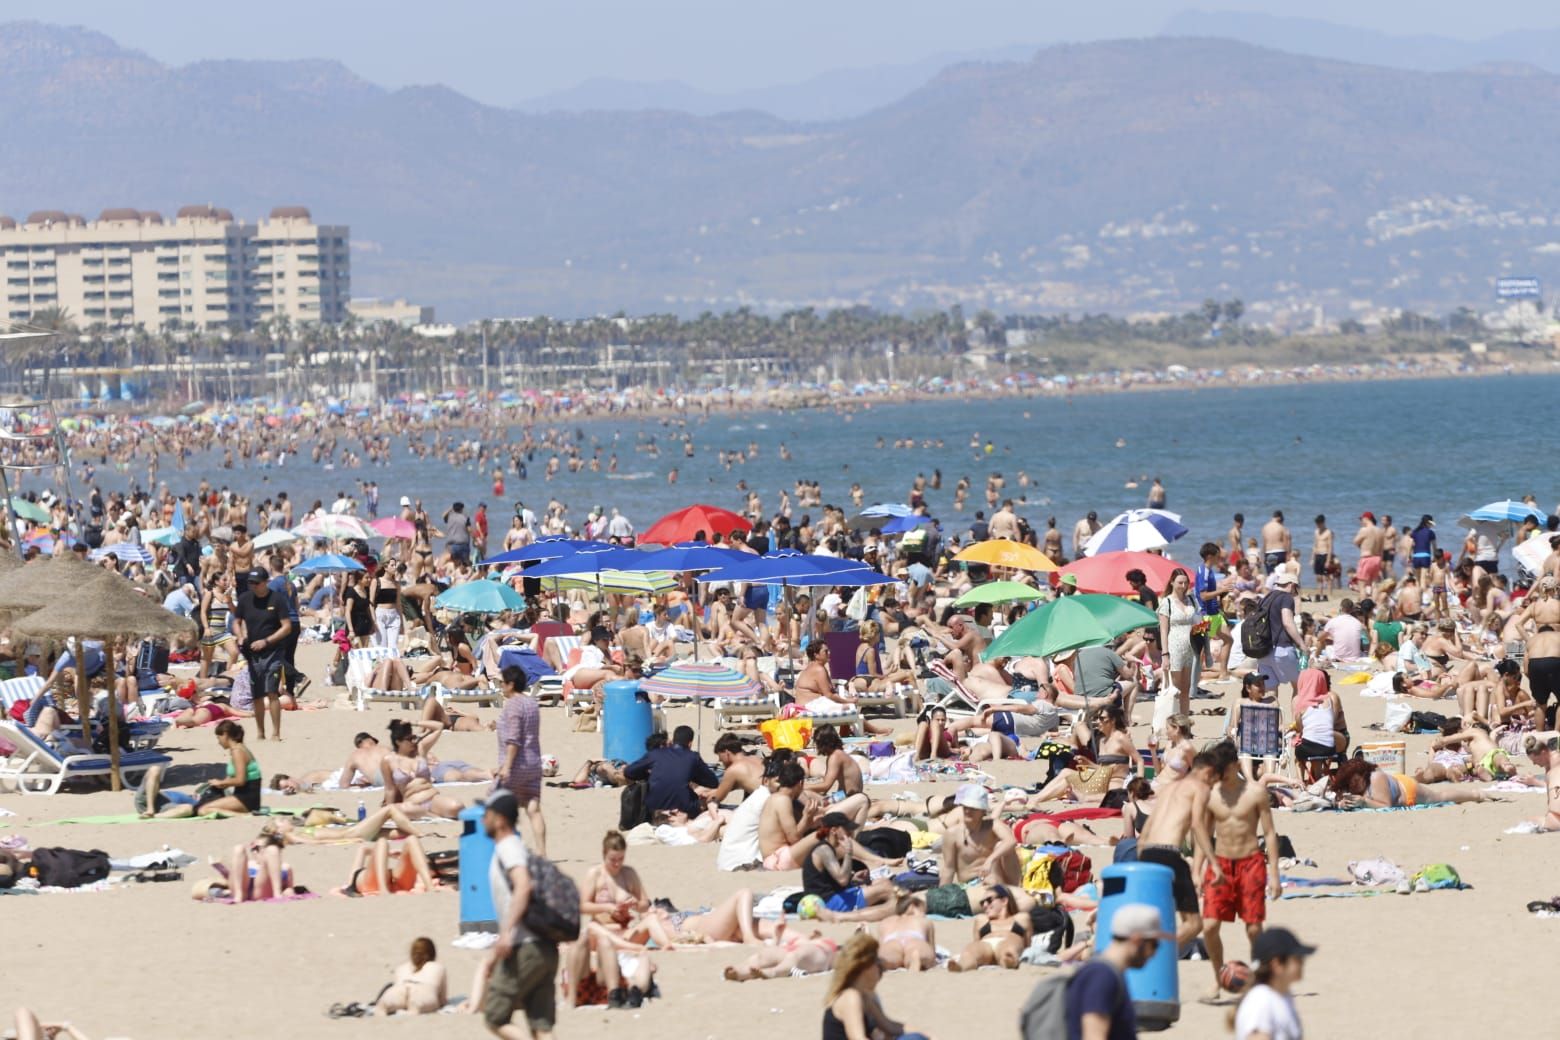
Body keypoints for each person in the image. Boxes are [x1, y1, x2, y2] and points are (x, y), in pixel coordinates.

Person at [1200, 740, 1281, 1001]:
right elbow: (1204, 834)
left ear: (1235, 765)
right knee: (1210, 926)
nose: (1219, 775)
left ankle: (1261, 976)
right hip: (1221, 865)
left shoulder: (1256, 793)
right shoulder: (1212, 795)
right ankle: (1217, 977)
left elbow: (1269, 833)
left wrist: (1275, 874)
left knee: (1254, 929)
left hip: (1250, 863)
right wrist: (1196, 870)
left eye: (1223, 770)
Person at [481, 790, 558, 1040]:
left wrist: (506, 933)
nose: (483, 820)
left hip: (526, 947)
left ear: (500, 819)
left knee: (494, 1017)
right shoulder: (519, 849)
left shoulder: (508, 848)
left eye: (487, 814)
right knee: (541, 1027)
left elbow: (523, 885)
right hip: (544, 947)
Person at [1130, 748, 1221, 944]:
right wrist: (1213, 862)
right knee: (1193, 924)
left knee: (1153, 916)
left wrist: (1141, 859)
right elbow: (1197, 825)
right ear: (1208, 771)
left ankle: (1145, 953)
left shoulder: (1169, 788)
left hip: (1146, 853)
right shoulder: (1200, 788)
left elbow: (1146, 831)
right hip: (1169, 855)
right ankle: (1155, 956)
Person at [1064, 903, 1169, 1040]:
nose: (1154, 953)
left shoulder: (1109, 973)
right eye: (1154, 945)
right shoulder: (1102, 976)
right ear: (1137, 940)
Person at [822, 933, 931, 1040]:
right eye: (877, 962)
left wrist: (928, 1035)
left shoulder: (864, 995)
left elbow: (890, 1026)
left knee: (916, 1037)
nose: (880, 967)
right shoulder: (851, 997)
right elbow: (857, 1037)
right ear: (866, 967)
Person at [232, 566, 292, 740]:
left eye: (256, 583)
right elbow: (236, 621)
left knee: (272, 692)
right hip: (252, 654)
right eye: (250, 582)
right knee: (257, 695)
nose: (253, 586)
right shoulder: (245, 599)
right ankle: (260, 732)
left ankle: (276, 733)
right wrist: (241, 635)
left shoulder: (277, 599)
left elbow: (287, 626)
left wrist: (266, 641)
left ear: (266, 582)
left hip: (273, 652)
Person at [495, 665, 547, 855]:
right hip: (534, 762)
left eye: (502, 683)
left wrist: (506, 767)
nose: (500, 686)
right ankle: (542, 852)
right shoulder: (532, 703)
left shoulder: (513, 705)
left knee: (501, 808)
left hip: (517, 764)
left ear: (511, 684)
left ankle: (508, 850)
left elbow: (514, 739)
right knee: (534, 809)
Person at [1234, 927, 1315, 1040]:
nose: (1302, 962)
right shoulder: (1261, 1001)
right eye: (1297, 958)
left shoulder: (1283, 995)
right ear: (1276, 964)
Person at [623, 724, 719, 817]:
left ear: (673, 741)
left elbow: (629, 772)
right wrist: (694, 776)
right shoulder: (693, 757)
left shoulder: (655, 754)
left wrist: (649, 775)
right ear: (690, 744)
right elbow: (713, 782)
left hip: (654, 808)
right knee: (707, 798)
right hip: (684, 808)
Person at [947, 883, 1029, 971]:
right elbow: (977, 941)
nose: (985, 905)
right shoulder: (982, 920)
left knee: (1008, 949)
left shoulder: (1021, 918)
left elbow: (1027, 945)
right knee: (971, 950)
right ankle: (961, 966)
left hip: (1009, 943)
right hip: (986, 944)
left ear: (1004, 901)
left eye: (989, 900)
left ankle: (1008, 960)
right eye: (982, 903)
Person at [195, 719, 262, 815]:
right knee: (206, 805)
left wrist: (221, 782)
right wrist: (219, 784)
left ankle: (242, 815)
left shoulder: (237, 751)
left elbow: (240, 780)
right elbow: (233, 778)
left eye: (218, 738)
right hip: (242, 795)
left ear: (226, 735)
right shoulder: (238, 748)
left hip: (247, 800)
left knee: (203, 810)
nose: (218, 742)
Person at [1256, 571, 1305, 698]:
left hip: (1263, 652)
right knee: (1299, 687)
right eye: (1296, 589)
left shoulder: (1264, 599)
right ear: (1291, 585)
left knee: (1270, 691)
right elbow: (1287, 622)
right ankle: (1297, 718)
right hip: (1281, 649)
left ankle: (1273, 718)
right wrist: (1301, 643)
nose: (1296, 593)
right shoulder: (1286, 597)